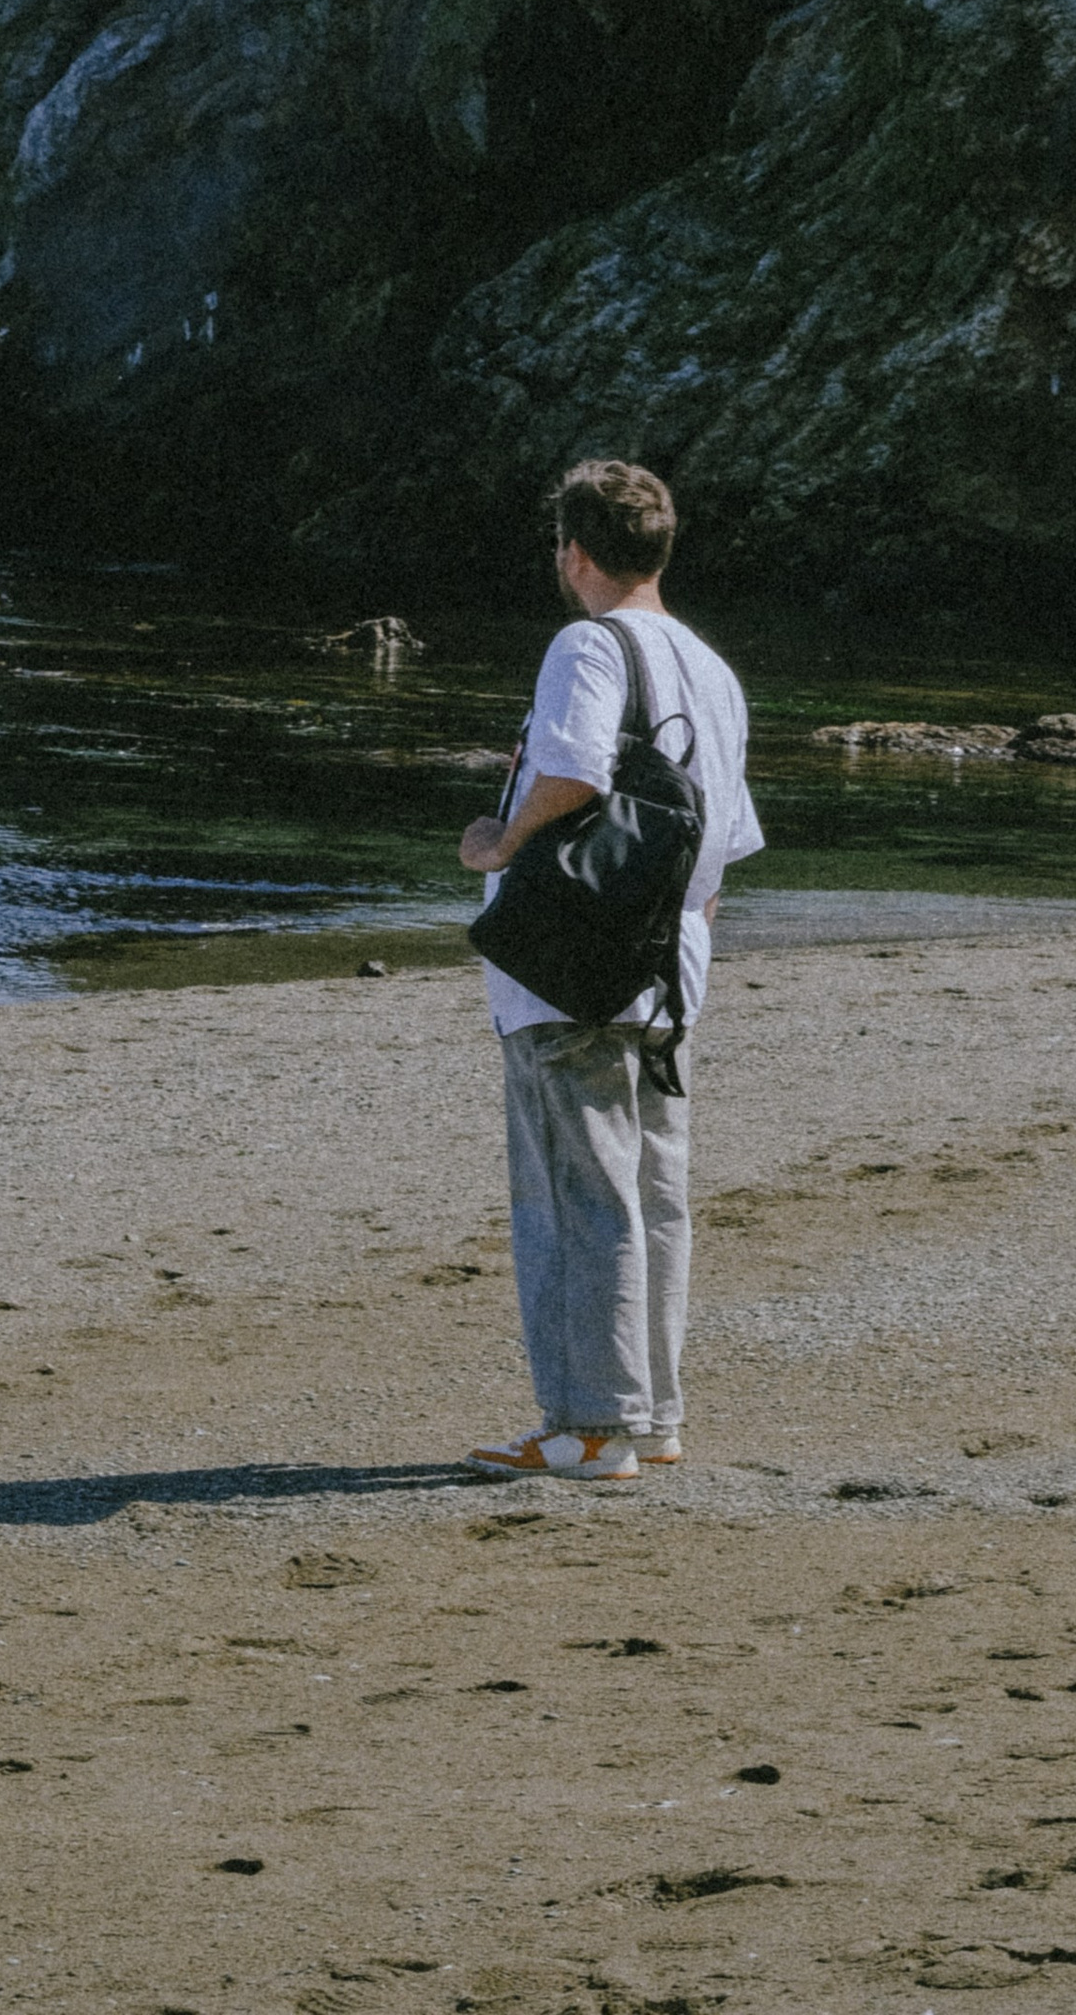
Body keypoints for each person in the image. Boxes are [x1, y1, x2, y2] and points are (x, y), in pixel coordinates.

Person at [457, 455, 762, 1483]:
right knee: (651, 1188)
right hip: (669, 962)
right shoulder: (712, 671)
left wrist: (499, 843)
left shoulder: (586, 644)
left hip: (571, 963)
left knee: (574, 1189)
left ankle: (590, 1425)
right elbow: (724, 842)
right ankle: (653, 1415)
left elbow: (578, 768)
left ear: (573, 553)